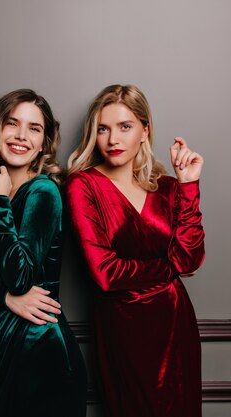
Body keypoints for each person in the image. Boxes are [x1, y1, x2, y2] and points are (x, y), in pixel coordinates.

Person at [66, 84, 205, 417]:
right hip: (122, 328)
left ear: (145, 131)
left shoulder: (168, 187)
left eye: (124, 127)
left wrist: (188, 186)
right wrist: (170, 265)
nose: (113, 139)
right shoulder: (82, 185)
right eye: (103, 128)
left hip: (175, 324)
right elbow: (106, 274)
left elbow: (190, 258)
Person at [0, 89, 87, 417]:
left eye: (34, 128)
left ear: (44, 142)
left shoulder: (44, 192)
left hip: (43, 353)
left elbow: (21, 276)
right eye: (12, 124)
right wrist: (5, 298)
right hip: (3, 354)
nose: (21, 136)